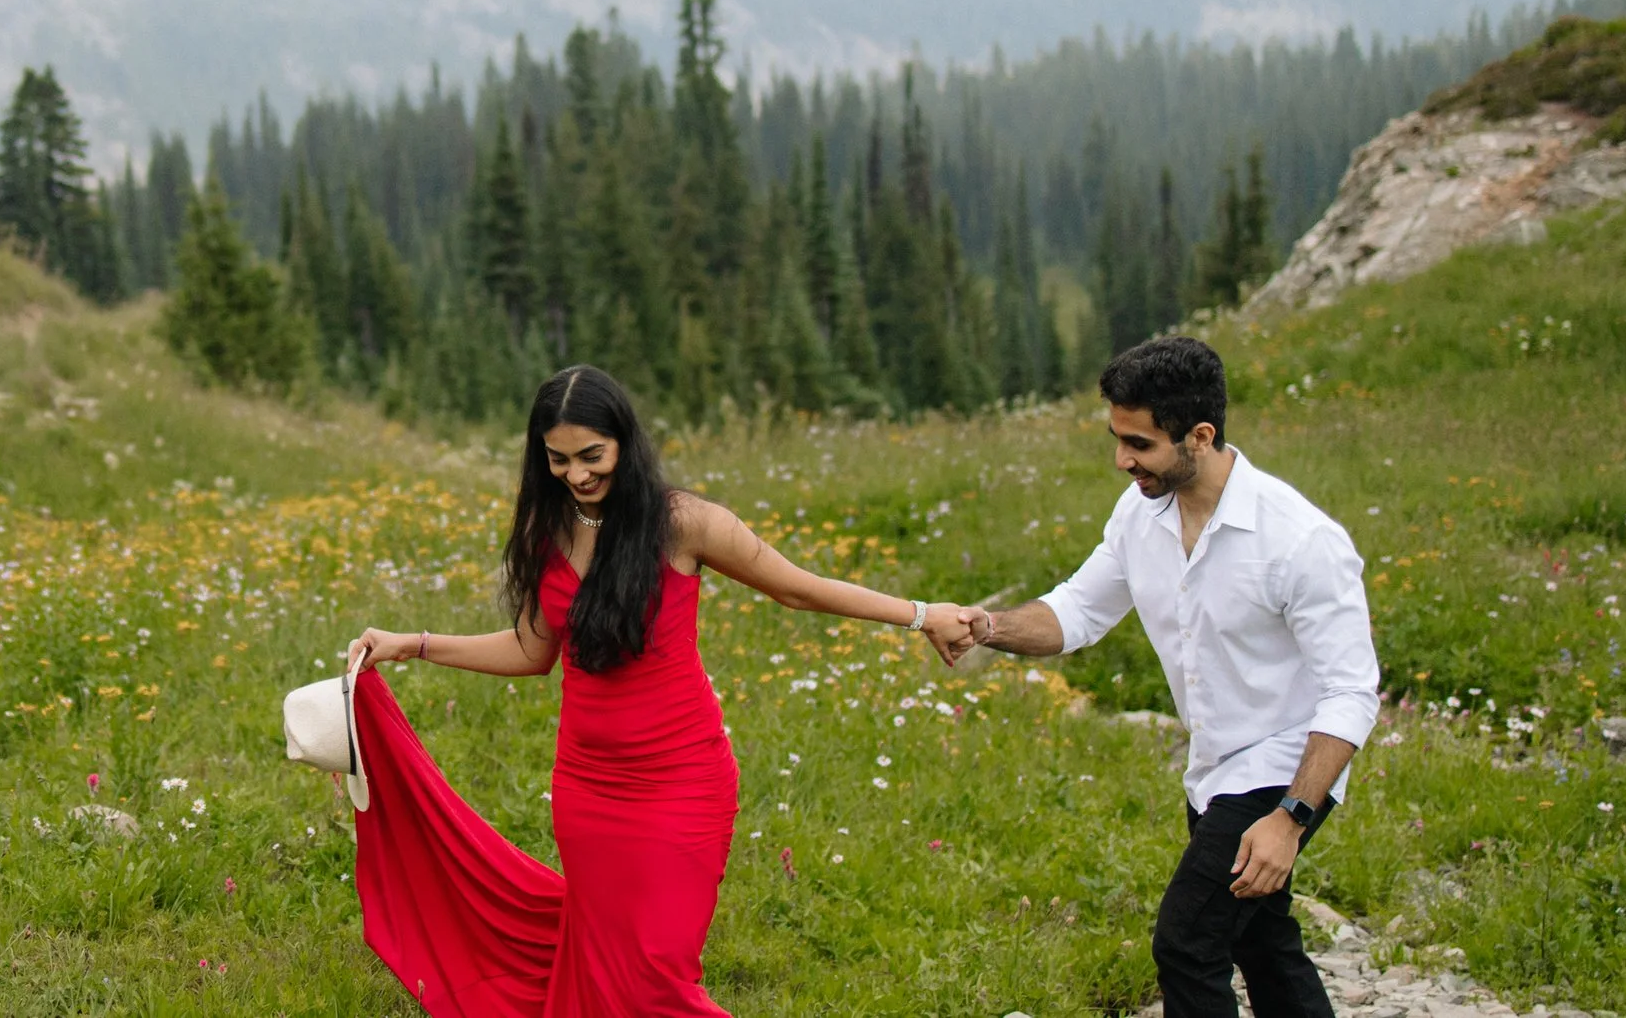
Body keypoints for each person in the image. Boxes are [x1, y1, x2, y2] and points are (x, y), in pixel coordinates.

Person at [344, 363, 978, 1017]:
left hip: (682, 783)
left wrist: (923, 614)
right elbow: (533, 652)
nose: (577, 474)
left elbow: (797, 586)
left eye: (592, 455)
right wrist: (412, 642)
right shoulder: (549, 530)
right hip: (587, 789)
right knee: (604, 963)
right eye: (558, 460)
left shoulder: (685, 522)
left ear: (624, 439)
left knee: (655, 977)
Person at [952, 336, 1379, 1018]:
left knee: (1187, 943)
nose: (1123, 460)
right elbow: (1079, 610)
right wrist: (988, 627)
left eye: (1141, 444)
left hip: (1283, 770)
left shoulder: (1300, 540)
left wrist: (1290, 819)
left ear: (1200, 435)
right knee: (1264, 942)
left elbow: (1353, 693)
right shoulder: (1140, 512)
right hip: (1213, 766)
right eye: (1118, 438)